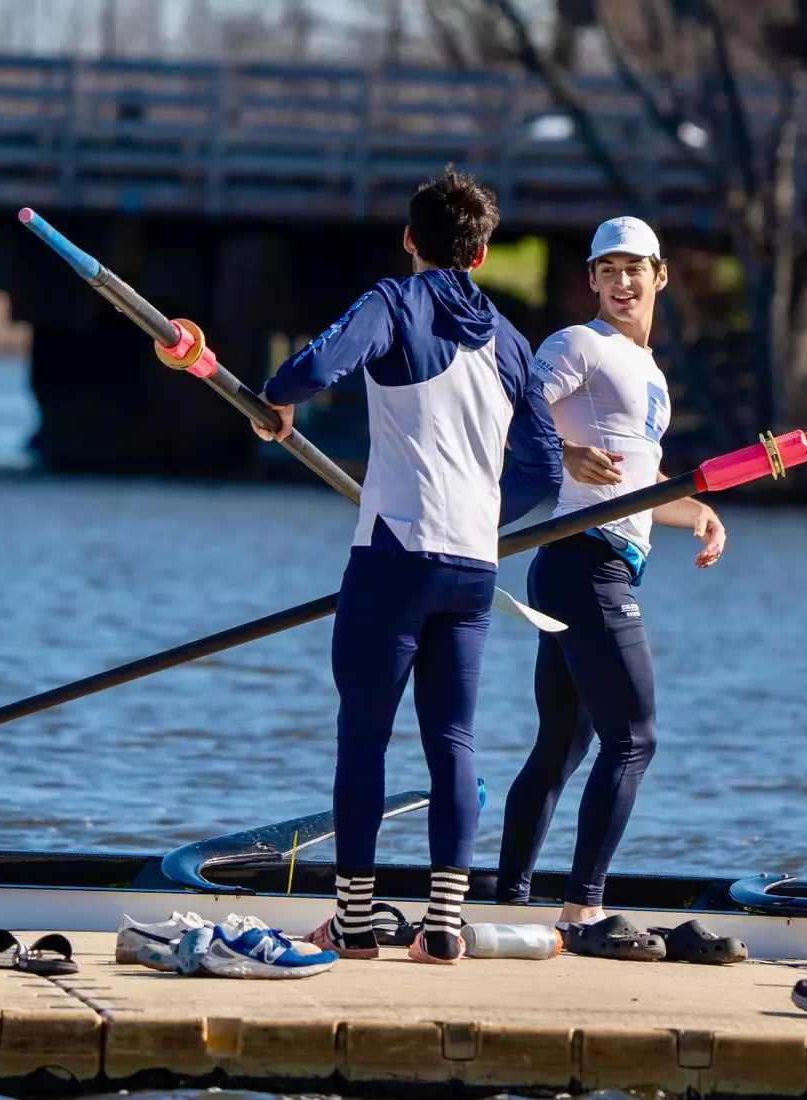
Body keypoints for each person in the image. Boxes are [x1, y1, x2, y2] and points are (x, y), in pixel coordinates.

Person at [248, 168, 563, 965]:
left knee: (363, 739)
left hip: (393, 556)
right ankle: (445, 928)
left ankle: (354, 924)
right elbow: (546, 473)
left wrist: (274, 396)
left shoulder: (394, 302)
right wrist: (482, 519)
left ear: (408, 238)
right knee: (453, 740)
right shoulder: (514, 342)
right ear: (484, 254)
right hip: (472, 569)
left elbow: (315, 369)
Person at [493, 216, 733, 961]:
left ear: (661, 276)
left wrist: (695, 511)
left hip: (593, 562)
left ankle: (510, 904)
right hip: (581, 561)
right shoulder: (578, 345)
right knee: (635, 737)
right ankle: (582, 910)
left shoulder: (649, 371)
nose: (622, 283)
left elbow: (636, 482)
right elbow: (506, 412)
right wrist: (563, 449)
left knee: (563, 747)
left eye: (636, 270)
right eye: (608, 271)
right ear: (592, 281)